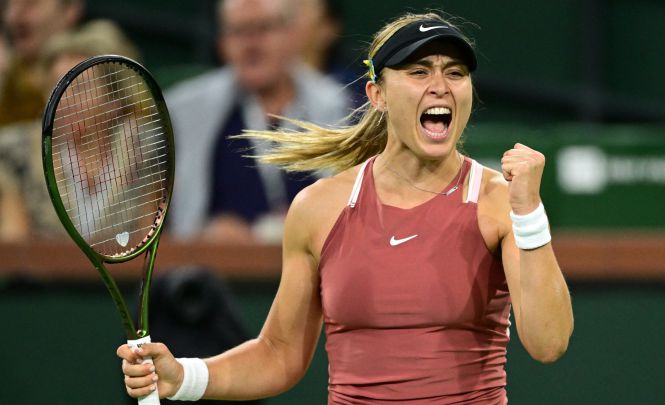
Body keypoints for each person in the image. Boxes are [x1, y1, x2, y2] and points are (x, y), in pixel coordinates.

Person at [117, 12, 574, 404]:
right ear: (377, 94)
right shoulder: (319, 208)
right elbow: (279, 353)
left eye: (455, 72)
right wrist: (184, 377)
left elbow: (549, 343)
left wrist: (529, 214)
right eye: (419, 72)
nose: (440, 86)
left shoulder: (500, 202)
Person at [166, 0, 351, 244]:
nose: (251, 44)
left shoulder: (341, 108)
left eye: (264, 28)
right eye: (239, 32)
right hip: (218, 271)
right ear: (222, 44)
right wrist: (203, 233)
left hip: (318, 268)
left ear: (292, 35)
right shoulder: (185, 111)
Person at [0, 19, 140, 241]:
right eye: (55, 86)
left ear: (115, 100)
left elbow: (149, 237)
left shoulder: (148, 148)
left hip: (126, 276)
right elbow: (14, 247)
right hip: (41, 275)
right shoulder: (12, 152)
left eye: (81, 88)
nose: (63, 100)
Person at [0, 0, 84, 126]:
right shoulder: (5, 77)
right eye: (8, 6)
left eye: (31, 4)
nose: (13, 16)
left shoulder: (98, 71)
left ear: (70, 10)